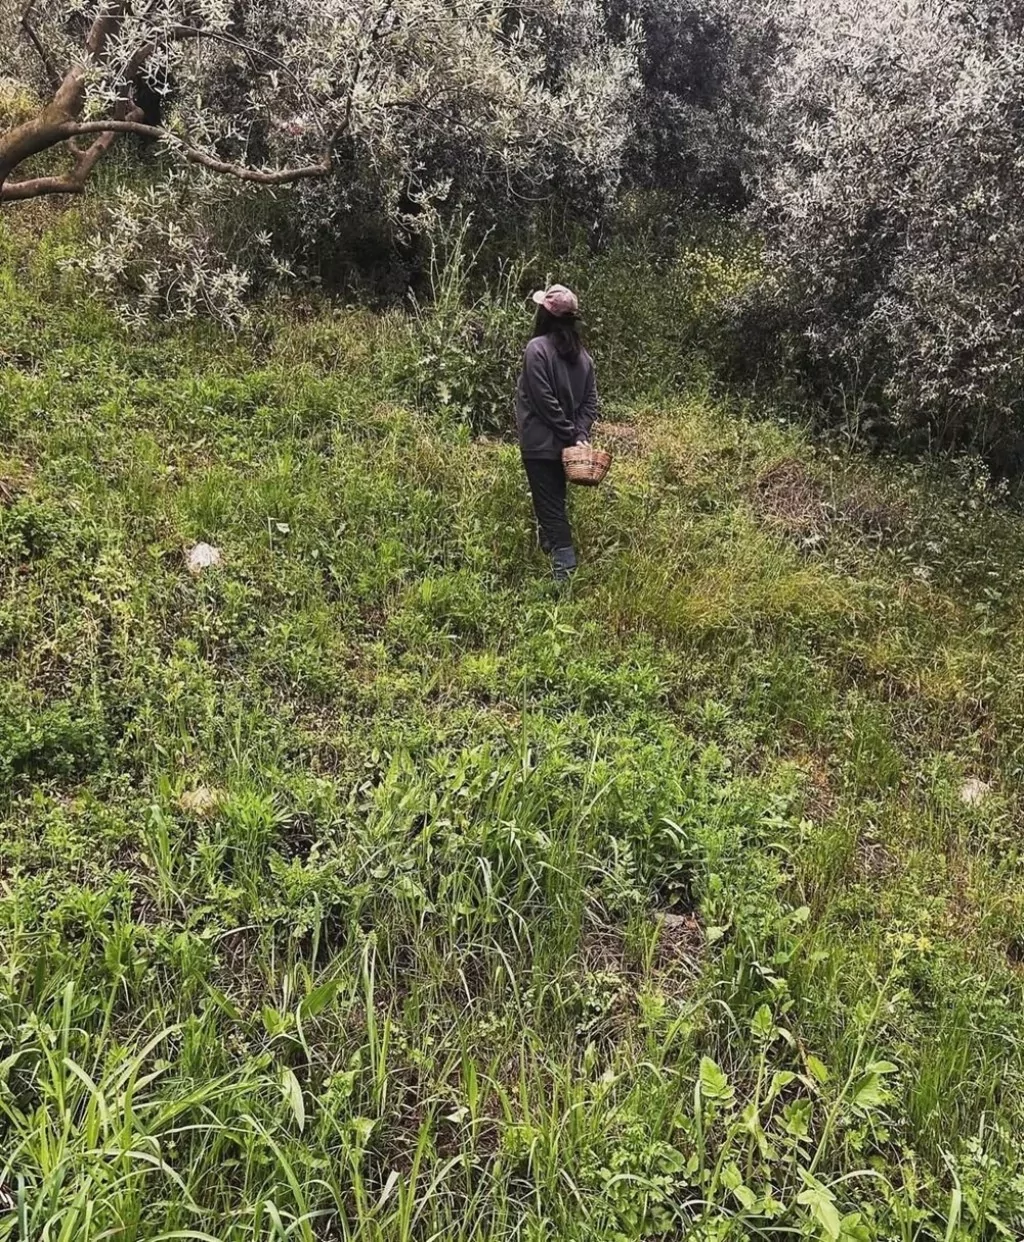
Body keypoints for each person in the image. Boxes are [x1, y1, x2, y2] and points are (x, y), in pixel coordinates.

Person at [515, 283, 598, 582]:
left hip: (539, 445)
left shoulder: (536, 349)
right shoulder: (584, 358)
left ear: (546, 315)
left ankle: (564, 579)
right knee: (550, 501)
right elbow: (591, 403)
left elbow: (543, 399)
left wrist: (568, 432)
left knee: (551, 509)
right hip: (566, 449)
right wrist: (578, 433)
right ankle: (546, 555)